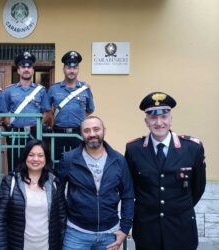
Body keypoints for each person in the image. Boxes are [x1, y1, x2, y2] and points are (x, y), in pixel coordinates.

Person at [125, 91, 206, 250]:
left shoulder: (192, 148)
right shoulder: (134, 149)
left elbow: (198, 188)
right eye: (153, 117)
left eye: (164, 117)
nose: (159, 122)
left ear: (171, 119)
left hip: (181, 228)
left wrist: (177, 208)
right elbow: (131, 188)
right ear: (146, 121)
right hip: (147, 230)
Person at [56, 116, 134, 250]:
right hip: (76, 233)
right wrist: (63, 220)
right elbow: (57, 192)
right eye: (87, 130)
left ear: (104, 131)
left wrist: (125, 229)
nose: (92, 134)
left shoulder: (118, 160)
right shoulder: (69, 159)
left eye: (96, 129)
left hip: (109, 234)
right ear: (81, 134)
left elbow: (127, 195)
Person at [0, 139, 66, 250]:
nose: (35, 159)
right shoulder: (11, 182)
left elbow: (61, 219)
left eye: (40, 155)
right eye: (31, 155)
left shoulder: (55, 183)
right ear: (25, 157)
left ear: (46, 158)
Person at [3, 51, 51, 171]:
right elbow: (3, 112)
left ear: (33, 70)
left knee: (34, 165)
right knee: (15, 164)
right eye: (23, 66)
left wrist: (38, 126)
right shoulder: (9, 90)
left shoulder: (40, 91)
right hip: (15, 133)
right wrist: (10, 124)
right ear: (18, 70)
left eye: (29, 66)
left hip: (34, 133)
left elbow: (46, 112)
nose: (26, 69)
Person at [48, 50, 94, 162]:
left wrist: (78, 118)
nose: (71, 71)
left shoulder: (85, 89)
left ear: (78, 69)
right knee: (58, 165)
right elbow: (47, 110)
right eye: (69, 68)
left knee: (78, 164)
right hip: (58, 134)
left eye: (74, 68)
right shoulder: (54, 89)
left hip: (78, 134)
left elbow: (89, 110)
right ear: (63, 69)